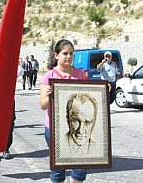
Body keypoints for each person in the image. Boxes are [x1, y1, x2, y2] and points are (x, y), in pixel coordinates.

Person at [40, 39, 87, 183]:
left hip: (79, 128)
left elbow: (89, 98)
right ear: (56, 55)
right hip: (55, 128)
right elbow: (43, 105)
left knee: (80, 168)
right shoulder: (49, 76)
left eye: (71, 53)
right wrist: (48, 95)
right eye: (65, 53)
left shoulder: (81, 74)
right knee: (58, 170)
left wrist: (103, 91)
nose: (68, 56)